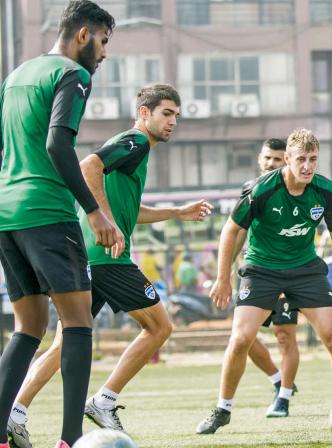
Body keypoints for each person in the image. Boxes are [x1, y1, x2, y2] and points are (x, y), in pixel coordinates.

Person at [5, 85, 213, 446]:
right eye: (166, 113)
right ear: (144, 113)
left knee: (64, 342)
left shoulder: (135, 151)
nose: (173, 122)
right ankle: (104, 401)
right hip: (107, 257)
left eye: (177, 115)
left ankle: (15, 413)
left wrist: (176, 212)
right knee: (160, 327)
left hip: (89, 255)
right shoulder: (135, 141)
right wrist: (102, 217)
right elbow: (89, 166)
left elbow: (130, 212)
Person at [0, 2, 119, 447]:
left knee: (28, 327)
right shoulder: (73, 75)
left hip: (7, 213)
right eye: (104, 42)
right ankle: (71, 439)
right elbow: (57, 143)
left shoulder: (16, 76)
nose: (104, 54)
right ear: (84, 34)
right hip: (47, 211)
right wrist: (93, 209)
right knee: (77, 323)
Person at [196, 128, 332, 434]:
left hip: (305, 270)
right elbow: (230, 232)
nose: (307, 166)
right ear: (287, 159)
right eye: (301, 159)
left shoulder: (325, 190)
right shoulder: (261, 190)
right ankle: (222, 409)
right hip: (261, 269)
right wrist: (223, 278)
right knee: (241, 339)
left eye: (313, 159)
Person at [235, 138, 302, 417]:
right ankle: (278, 380)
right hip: (255, 273)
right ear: (259, 159)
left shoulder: (298, 188)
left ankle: (283, 399)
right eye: (267, 158)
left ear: (285, 160)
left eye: (277, 159)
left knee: (284, 336)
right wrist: (229, 272)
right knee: (243, 339)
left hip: (288, 272)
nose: (271, 164)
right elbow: (236, 232)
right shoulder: (251, 190)